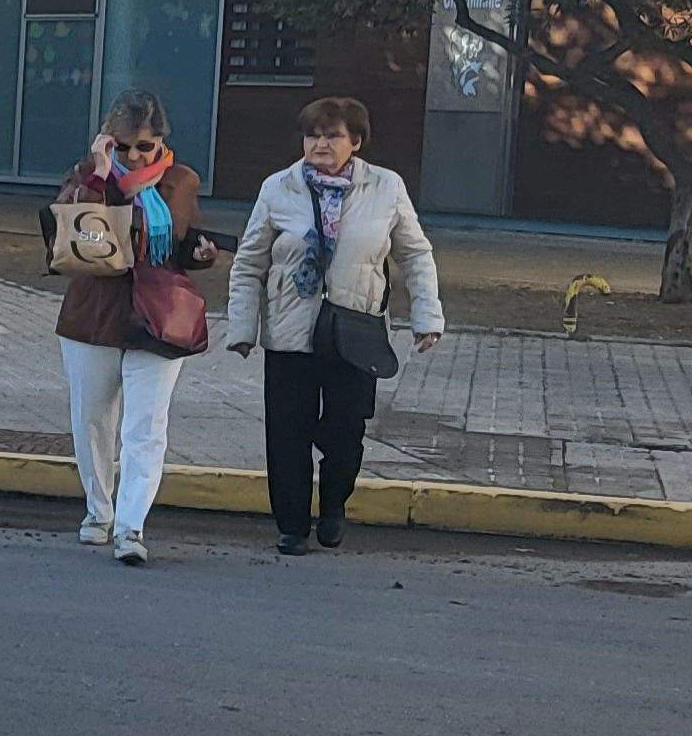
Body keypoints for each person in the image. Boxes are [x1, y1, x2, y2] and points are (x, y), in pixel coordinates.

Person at [227, 96, 445, 555]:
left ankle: (333, 506)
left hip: (356, 332)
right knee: (287, 433)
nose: (321, 143)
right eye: (313, 135)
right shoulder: (278, 188)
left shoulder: (386, 187)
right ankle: (291, 524)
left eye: (332, 135)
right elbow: (249, 262)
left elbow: (414, 254)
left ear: (356, 142)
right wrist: (243, 327)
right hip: (291, 330)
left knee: (346, 433)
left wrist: (426, 315)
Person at [55, 91, 225, 566]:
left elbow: (181, 243)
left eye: (145, 146)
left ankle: (131, 527)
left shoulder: (180, 181)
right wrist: (99, 173)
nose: (135, 155)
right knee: (92, 421)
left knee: (146, 425)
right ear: (108, 140)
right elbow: (75, 234)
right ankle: (97, 513)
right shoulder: (87, 177)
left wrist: (200, 254)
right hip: (95, 315)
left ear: (161, 143)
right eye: (125, 145)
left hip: (158, 316)